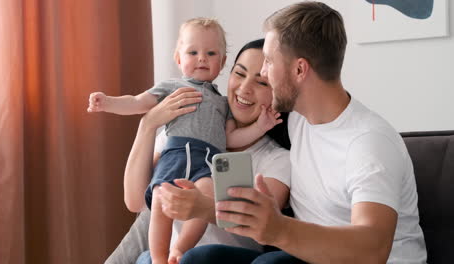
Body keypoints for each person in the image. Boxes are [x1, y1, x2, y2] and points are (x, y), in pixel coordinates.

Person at [160, 2, 427, 264]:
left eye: (268, 62)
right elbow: (229, 114)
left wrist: (278, 228)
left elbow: (372, 251)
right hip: (309, 257)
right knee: (203, 258)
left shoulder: (368, 143)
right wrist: (154, 121)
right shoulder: (297, 120)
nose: (263, 72)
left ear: (299, 69)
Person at [88, 18, 282, 264]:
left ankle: (179, 249)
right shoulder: (173, 94)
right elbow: (136, 201)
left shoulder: (225, 112)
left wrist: (260, 126)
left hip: (207, 169)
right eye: (240, 74)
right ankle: (161, 258)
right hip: (176, 156)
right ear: (178, 58)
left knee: (206, 197)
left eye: (211, 53)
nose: (202, 58)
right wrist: (127, 112)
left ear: (220, 62)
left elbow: (231, 137)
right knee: (158, 202)